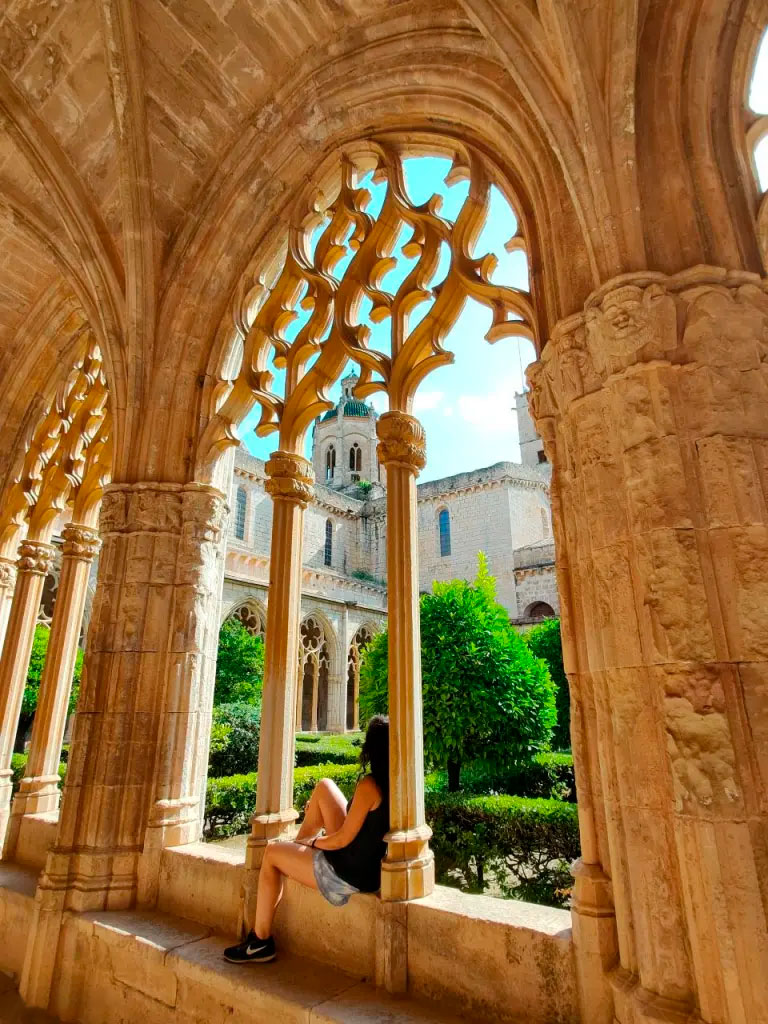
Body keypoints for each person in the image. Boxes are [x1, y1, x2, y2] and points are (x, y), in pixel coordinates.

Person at [224, 715, 390, 964]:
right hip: (365, 866)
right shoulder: (395, 784)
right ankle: (294, 854)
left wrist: (313, 843)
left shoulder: (370, 785)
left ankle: (260, 941)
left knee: (270, 854)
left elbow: (343, 839)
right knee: (324, 787)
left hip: (346, 873)